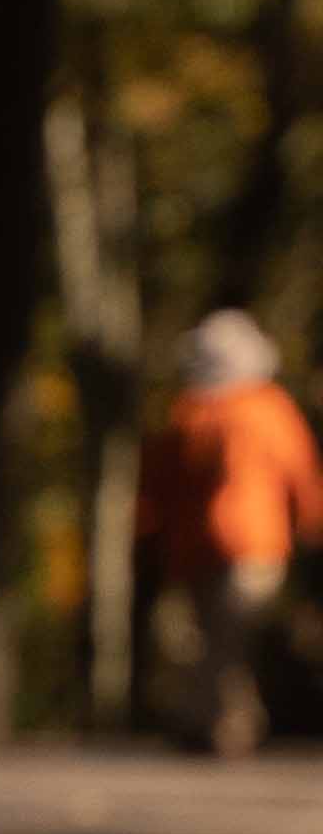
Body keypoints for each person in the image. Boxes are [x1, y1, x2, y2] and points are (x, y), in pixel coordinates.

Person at [141, 308, 323, 756]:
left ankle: (221, 723)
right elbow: (302, 475)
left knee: (219, 640)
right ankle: (220, 721)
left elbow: (156, 487)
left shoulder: (203, 412)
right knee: (219, 640)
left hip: (228, 547)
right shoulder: (253, 410)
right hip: (237, 547)